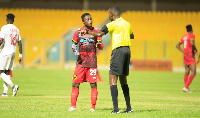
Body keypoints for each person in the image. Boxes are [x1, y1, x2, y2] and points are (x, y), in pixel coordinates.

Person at [80, 5, 134, 114]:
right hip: (127, 51)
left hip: (118, 50)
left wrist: (87, 32)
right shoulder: (127, 23)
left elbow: (99, 33)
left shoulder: (112, 24)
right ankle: (129, 108)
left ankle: (116, 109)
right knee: (123, 80)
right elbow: (132, 36)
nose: (108, 15)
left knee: (112, 79)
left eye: (108, 13)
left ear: (111, 14)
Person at [68, 13, 104, 112]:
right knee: (75, 84)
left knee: (93, 85)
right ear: (83, 21)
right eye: (88, 19)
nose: (90, 21)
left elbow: (101, 46)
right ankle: (73, 106)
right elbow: (74, 44)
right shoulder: (78, 31)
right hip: (80, 63)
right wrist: (75, 50)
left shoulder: (96, 31)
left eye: (91, 19)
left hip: (92, 64)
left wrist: (99, 45)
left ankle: (93, 107)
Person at [0, 13, 23, 97]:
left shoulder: (4, 28)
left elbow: (1, 41)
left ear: (6, 19)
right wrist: (20, 55)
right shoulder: (17, 29)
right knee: (7, 72)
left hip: (5, 52)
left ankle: (13, 86)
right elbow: (20, 42)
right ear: (13, 20)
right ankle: (5, 92)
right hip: (13, 52)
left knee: (0, 72)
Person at [176, 24, 197, 93]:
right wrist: (196, 50)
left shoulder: (184, 37)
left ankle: (186, 88)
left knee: (187, 71)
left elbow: (177, 45)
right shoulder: (192, 36)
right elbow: (192, 43)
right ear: (191, 29)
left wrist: (183, 51)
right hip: (190, 55)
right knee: (193, 72)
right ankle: (186, 87)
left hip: (185, 55)